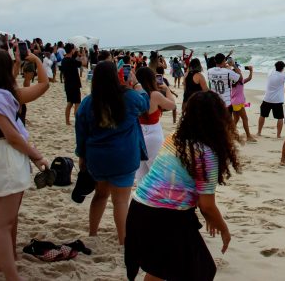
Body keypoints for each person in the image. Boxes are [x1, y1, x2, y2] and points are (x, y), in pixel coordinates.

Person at [125, 91, 240, 281]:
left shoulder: (175, 137)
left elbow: (199, 199)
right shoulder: (207, 153)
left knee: (160, 270)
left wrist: (208, 215)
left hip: (139, 208)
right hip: (166, 217)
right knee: (202, 271)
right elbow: (207, 205)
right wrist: (224, 229)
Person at [0, 47, 49, 280]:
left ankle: (6, 262)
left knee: (9, 218)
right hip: (4, 156)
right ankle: (11, 274)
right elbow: (12, 136)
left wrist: (35, 60)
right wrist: (36, 156)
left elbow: (43, 85)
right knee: (2, 223)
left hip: (7, 155)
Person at [75, 61, 149, 245]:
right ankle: (123, 241)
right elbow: (145, 104)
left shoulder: (88, 102)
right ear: (116, 76)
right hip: (123, 156)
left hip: (97, 157)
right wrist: (136, 84)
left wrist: (81, 156)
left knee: (100, 194)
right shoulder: (129, 97)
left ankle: (92, 233)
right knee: (121, 201)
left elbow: (81, 132)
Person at [134, 67, 176, 181]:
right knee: (158, 174)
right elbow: (172, 105)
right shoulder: (154, 95)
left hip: (137, 135)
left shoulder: (133, 95)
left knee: (141, 176)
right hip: (153, 135)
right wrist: (167, 89)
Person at [258, 61, 285, 138]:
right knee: (280, 118)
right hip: (277, 100)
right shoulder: (283, 76)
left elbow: (275, 68)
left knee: (262, 115)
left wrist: (282, 66)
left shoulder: (270, 73)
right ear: (283, 68)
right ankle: (278, 135)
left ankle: (259, 132)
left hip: (267, 99)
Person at [230, 62, 255, 143]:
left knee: (236, 119)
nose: (240, 71)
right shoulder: (240, 81)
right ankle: (248, 136)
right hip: (239, 103)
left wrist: (251, 71)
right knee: (245, 119)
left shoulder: (232, 82)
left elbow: (249, 78)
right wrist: (251, 70)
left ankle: (231, 134)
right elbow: (243, 76)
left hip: (233, 102)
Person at [60, 44, 82, 125]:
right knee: (77, 103)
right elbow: (83, 63)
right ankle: (77, 122)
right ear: (72, 50)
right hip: (75, 84)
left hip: (68, 84)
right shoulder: (72, 61)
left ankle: (67, 121)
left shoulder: (64, 60)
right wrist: (81, 54)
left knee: (69, 103)